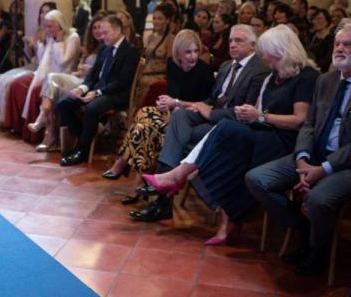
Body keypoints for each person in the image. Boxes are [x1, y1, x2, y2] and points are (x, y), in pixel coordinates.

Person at [245, 23, 351, 276]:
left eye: (347, 44)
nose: (339, 48)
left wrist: (323, 169)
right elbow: (309, 124)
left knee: (318, 199)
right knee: (257, 179)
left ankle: (318, 252)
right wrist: (303, 159)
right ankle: (303, 229)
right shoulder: (326, 81)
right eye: (337, 44)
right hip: (314, 157)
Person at [142, 26, 317, 245]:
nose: (264, 57)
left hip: (283, 140)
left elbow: (299, 120)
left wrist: (259, 116)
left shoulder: (306, 76)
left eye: (268, 53)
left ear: (284, 51)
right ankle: (224, 220)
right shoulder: (274, 75)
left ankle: (177, 176)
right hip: (260, 132)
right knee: (218, 140)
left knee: (224, 132)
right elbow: (254, 107)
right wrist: (249, 113)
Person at [129, 24, 270, 222]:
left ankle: (161, 196)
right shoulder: (225, 66)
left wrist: (210, 112)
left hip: (227, 125)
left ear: (253, 46)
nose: (232, 44)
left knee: (175, 137)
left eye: (239, 41)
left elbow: (245, 111)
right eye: (230, 40)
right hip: (208, 115)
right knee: (178, 116)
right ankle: (165, 187)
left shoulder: (259, 71)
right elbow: (211, 99)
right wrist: (198, 105)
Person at [104, 30, 214, 195]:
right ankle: (140, 177)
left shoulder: (204, 71)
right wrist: (165, 102)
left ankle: (126, 163)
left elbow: (206, 105)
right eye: (188, 52)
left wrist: (176, 103)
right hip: (173, 111)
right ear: (178, 53)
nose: (193, 56)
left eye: (196, 51)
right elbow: (172, 93)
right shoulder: (172, 64)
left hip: (191, 118)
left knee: (147, 127)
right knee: (144, 115)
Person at [55, 15, 140, 167]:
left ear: (118, 30)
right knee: (63, 104)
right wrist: (81, 89)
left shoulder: (130, 52)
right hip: (97, 90)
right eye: (102, 32)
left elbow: (122, 83)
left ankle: (82, 151)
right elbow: (93, 76)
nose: (102, 36)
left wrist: (97, 93)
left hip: (115, 94)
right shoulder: (104, 49)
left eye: (106, 32)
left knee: (92, 108)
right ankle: (84, 137)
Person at [29, 11, 107, 151]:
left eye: (100, 27)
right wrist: (80, 70)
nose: (97, 31)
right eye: (94, 28)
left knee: (52, 79)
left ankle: (44, 120)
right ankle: (49, 130)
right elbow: (78, 68)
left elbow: (101, 72)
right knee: (51, 78)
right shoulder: (91, 46)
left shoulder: (106, 47)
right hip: (80, 78)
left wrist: (90, 70)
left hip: (90, 84)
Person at [7, 9, 80, 140]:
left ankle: (37, 131)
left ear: (60, 25)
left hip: (62, 75)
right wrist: (40, 43)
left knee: (35, 90)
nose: (47, 29)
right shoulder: (51, 36)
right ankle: (17, 127)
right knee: (16, 84)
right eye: (46, 26)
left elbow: (63, 62)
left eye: (50, 26)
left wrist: (59, 41)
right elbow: (42, 61)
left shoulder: (72, 37)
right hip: (45, 72)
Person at [0, 1, 55, 128]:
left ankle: (16, 121)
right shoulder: (39, 30)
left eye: (47, 12)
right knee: (2, 79)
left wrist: (34, 44)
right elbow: (33, 56)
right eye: (42, 11)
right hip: (34, 64)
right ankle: (4, 119)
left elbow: (47, 57)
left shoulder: (51, 32)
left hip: (43, 68)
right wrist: (29, 46)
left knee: (11, 82)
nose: (43, 14)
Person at [307, 8, 334, 73]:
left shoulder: (332, 38)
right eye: (314, 19)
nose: (316, 21)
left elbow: (328, 59)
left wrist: (313, 65)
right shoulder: (312, 36)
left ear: (327, 20)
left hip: (323, 71)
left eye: (319, 18)